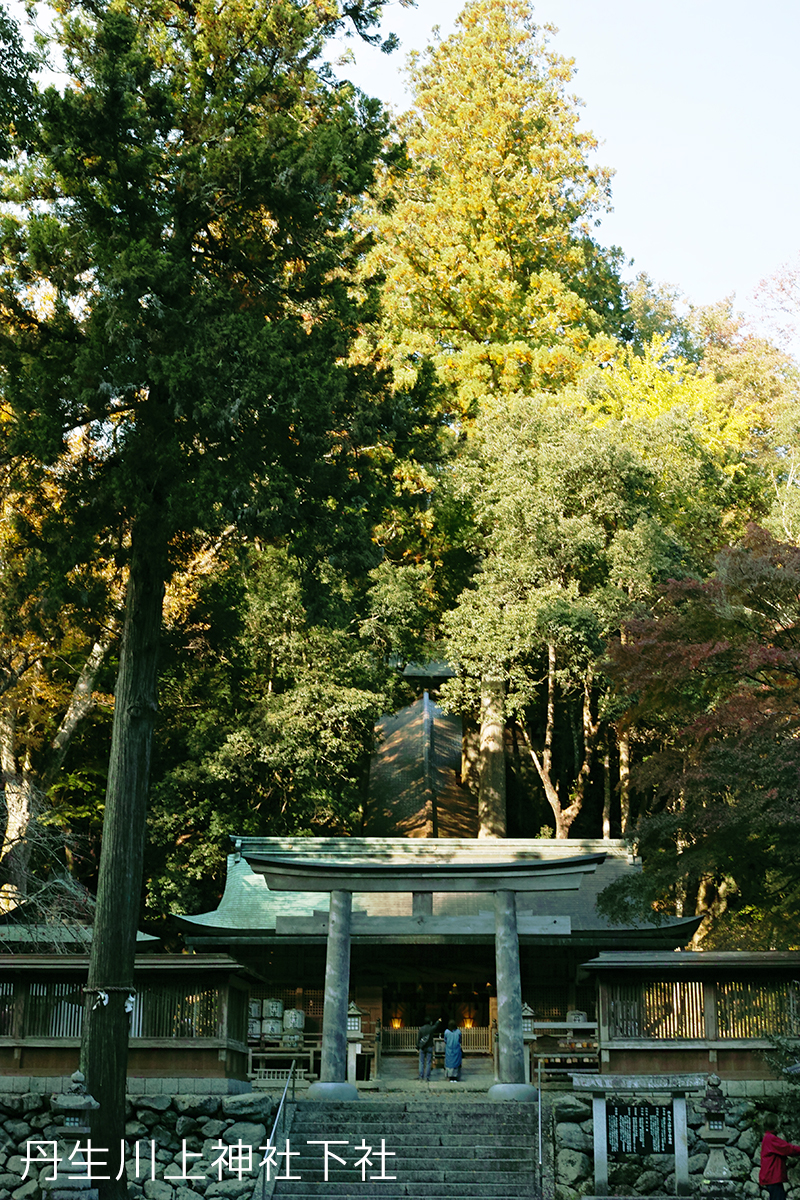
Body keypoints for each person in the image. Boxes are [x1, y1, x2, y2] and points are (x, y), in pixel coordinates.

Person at [759, 1113, 800, 1200]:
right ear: (776, 1125)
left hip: (770, 1178)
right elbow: (788, 1149)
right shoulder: (771, 1139)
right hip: (772, 1177)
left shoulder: (767, 1138)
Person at [417, 1017, 441, 1081]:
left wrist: (418, 1047)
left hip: (422, 1047)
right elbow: (435, 1026)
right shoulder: (431, 1028)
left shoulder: (421, 1029)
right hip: (429, 1046)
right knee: (428, 1062)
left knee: (421, 1062)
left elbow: (418, 1039)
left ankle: (421, 1076)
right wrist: (438, 1021)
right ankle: (427, 1077)